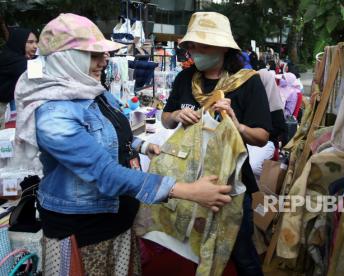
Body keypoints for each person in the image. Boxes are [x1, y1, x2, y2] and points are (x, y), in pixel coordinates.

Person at [14, 13, 232, 275]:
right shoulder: (53, 114)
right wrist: (187, 191)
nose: (104, 61)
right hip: (84, 232)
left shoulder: (90, 90)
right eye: (93, 55)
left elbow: (110, 134)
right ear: (67, 60)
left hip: (116, 220)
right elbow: (104, 173)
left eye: (102, 54)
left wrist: (140, 146)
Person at [161, 12, 271, 276]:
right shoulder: (184, 80)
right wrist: (175, 115)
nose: (195, 52)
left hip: (230, 184)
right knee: (192, 246)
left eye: (203, 45)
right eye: (191, 46)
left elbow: (262, 136)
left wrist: (235, 123)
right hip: (189, 180)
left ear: (223, 48)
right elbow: (165, 120)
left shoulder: (247, 83)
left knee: (241, 251)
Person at [247, 69, 286, 180]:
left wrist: (259, 131)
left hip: (266, 141)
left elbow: (279, 128)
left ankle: (259, 188)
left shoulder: (273, 101)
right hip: (246, 138)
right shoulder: (249, 99)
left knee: (252, 165)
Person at [0, 27, 37, 128]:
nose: (35, 46)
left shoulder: (10, 55)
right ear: (19, 42)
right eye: (30, 42)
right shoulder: (14, 60)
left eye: (36, 42)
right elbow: (38, 75)